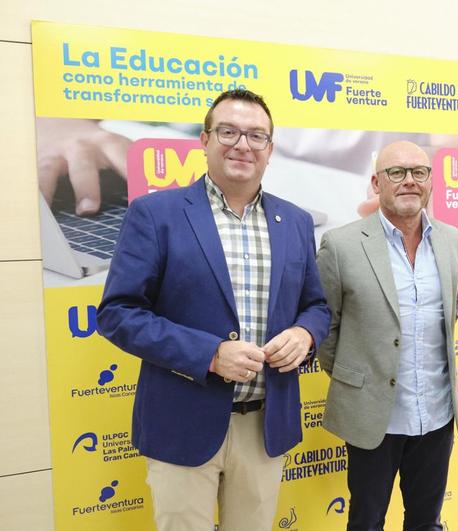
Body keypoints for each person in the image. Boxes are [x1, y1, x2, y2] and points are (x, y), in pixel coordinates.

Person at [96, 89, 331, 531]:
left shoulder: (296, 221)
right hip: (182, 420)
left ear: (270, 150)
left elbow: (315, 305)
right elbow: (118, 312)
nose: (243, 144)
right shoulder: (156, 214)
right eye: (229, 131)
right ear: (204, 140)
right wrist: (209, 354)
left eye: (256, 135)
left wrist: (305, 334)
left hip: (266, 424)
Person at [316, 140, 458, 530]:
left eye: (419, 172)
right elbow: (325, 327)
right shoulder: (341, 244)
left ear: (431, 182)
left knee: (426, 521)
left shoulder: (452, 241)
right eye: (396, 173)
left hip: (436, 415)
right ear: (376, 183)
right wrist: (359, 379)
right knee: (366, 521)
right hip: (373, 418)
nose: (409, 181)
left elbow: (454, 307)